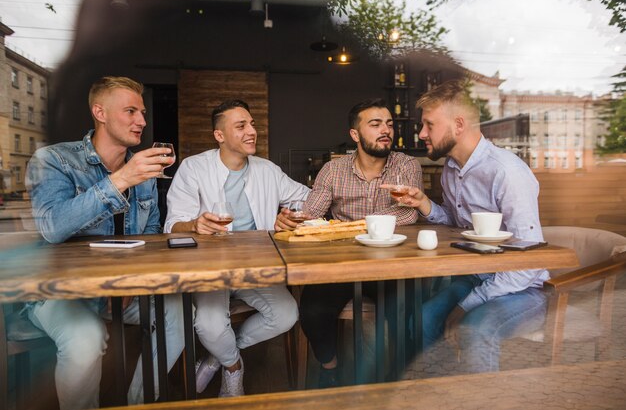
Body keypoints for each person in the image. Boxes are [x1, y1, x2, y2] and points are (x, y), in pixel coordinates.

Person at [26, 76, 185, 409]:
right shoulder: (54, 160)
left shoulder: (143, 171)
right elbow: (52, 227)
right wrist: (122, 179)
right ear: (99, 112)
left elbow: (151, 236)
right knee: (85, 341)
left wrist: (135, 281)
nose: (142, 121)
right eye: (130, 111)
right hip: (63, 292)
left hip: (124, 292)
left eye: (142, 112)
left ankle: (138, 402)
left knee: (181, 311)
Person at [385, 79, 549, 373]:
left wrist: (466, 305)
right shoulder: (451, 170)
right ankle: (439, 394)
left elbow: (529, 262)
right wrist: (424, 203)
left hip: (522, 289)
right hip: (475, 277)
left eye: (429, 125)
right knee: (420, 321)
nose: (421, 133)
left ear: (458, 125)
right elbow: (458, 224)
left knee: (476, 328)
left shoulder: (506, 171)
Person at [164, 99, 309, 397]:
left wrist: (291, 215)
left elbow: (307, 199)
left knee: (286, 314)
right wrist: (194, 224)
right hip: (211, 268)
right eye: (241, 126)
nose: (251, 131)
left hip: (257, 268)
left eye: (252, 124)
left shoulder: (268, 170)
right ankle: (234, 368)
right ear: (220, 135)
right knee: (209, 325)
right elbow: (172, 225)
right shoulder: (193, 168)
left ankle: (219, 358)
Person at [275, 98, 422, 387]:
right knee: (313, 310)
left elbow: (407, 215)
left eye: (389, 124)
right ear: (355, 134)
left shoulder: (406, 165)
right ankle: (330, 369)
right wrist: (291, 220)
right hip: (341, 263)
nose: (386, 131)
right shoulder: (333, 171)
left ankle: (398, 378)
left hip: (389, 264)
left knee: (406, 309)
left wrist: (348, 226)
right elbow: (312, 216)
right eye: (375, 124)